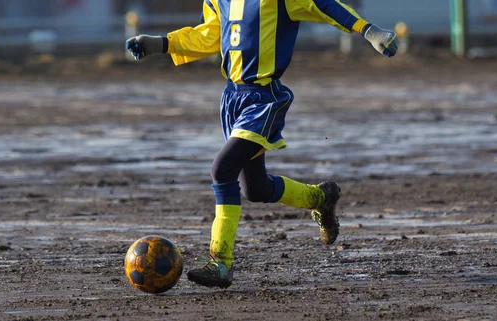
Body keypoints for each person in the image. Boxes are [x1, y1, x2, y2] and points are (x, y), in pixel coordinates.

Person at [126, 0, 398, 289]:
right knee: (254, 189)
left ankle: (221, 262)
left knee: (222, 170)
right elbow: (210, 35)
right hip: (232, 100)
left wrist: (368, 30)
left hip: (263, 100)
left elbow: (326, 6)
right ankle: (320, 198)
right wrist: (160, 43)